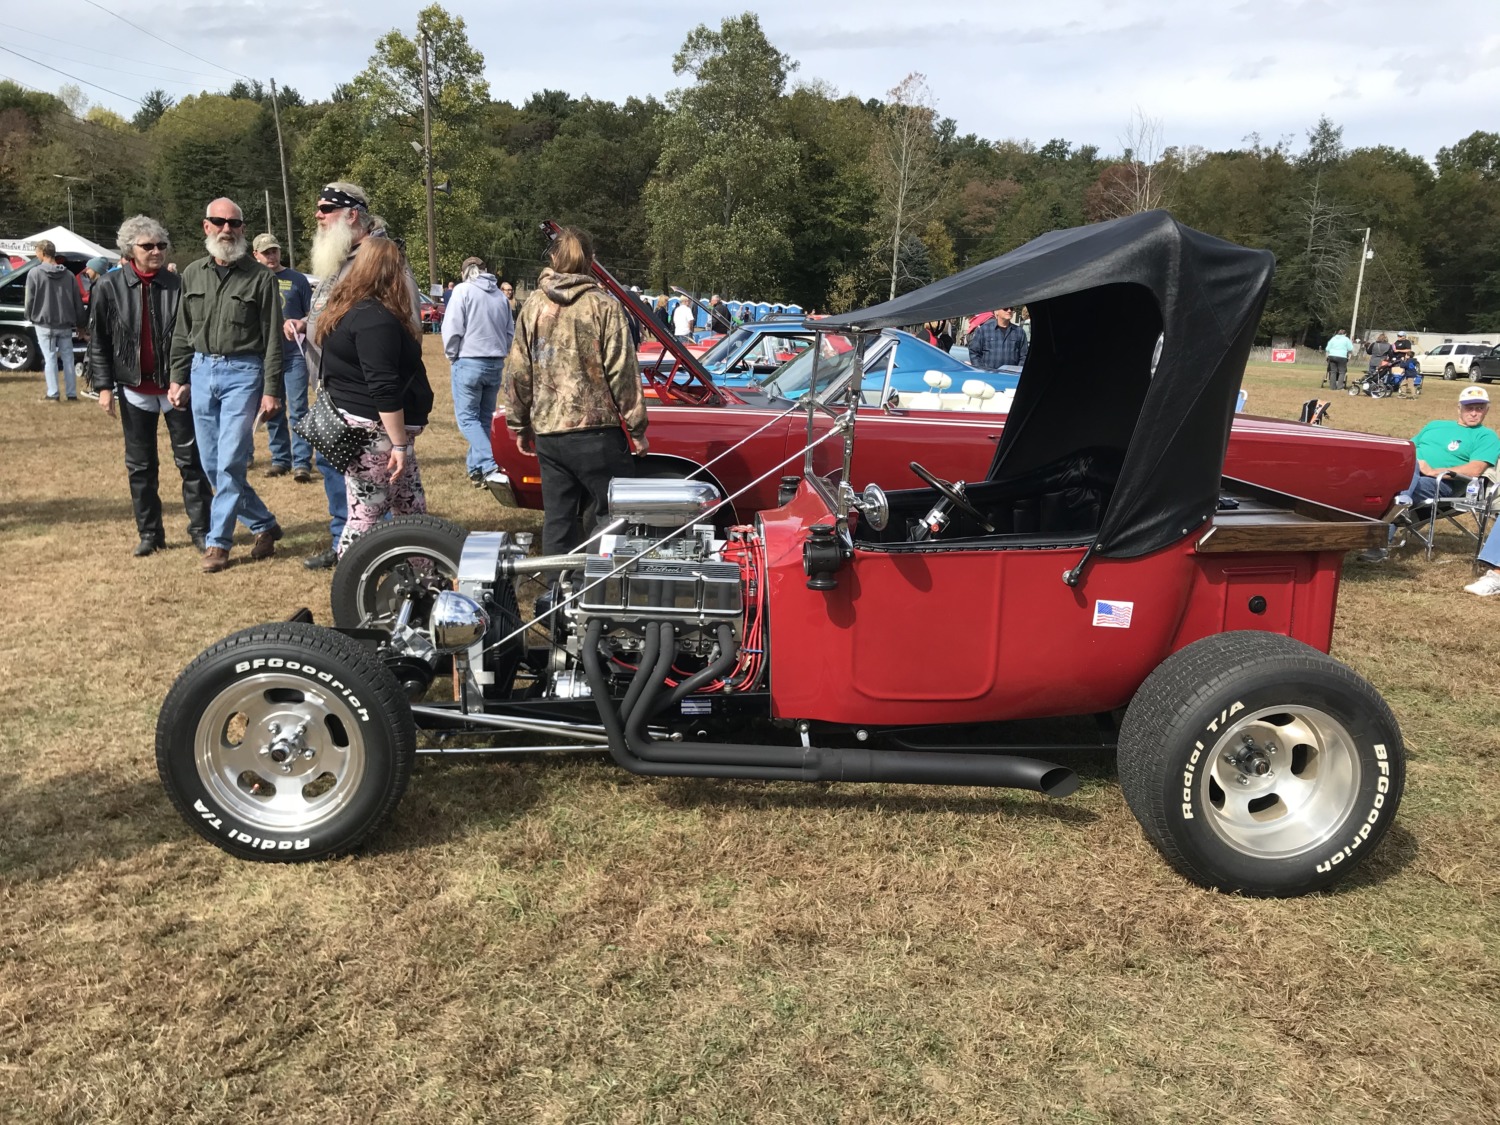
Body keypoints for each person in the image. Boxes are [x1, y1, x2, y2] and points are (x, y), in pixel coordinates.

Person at [283, 182, 421, 569]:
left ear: (352, 214)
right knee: (356, 483)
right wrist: (306, 322)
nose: (318, 216)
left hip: (367, 405)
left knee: (379, 496)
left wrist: (395, 430)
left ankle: (370, 557)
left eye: (325, 208)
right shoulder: (344, 257)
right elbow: (338, 313)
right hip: (339, 395)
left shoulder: (380, 260)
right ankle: (355, 546)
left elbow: (398, 334)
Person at [503, 225, 647, 556]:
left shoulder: (533, 306)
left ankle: (556, 597)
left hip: (550, 434)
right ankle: (598, 588)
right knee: (615, 515)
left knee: (558, 520)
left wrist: (519, 424)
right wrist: (637, 428)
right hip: (597, 433)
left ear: (554, 258)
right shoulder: (604, 307)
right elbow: (623, 372)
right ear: (591, 261)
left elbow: (518, 372)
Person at [168, 197, 285, 573]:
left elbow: (272, 341)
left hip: (244, 372)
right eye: (219, 222)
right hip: (202, 370)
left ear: (243, 229)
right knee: (212, 463)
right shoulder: (192, 274)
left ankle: (218, 543)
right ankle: (264, 524)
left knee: (232, 460)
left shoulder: (262, 278)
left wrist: (271, 390)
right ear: (206, 226)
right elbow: (183, 332)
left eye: (234, 223)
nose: (226, 229)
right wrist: (178, 376)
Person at [86, 215, 211, 556]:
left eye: (161, 245)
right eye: (148, 246)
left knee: (191, 463)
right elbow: (98, 341)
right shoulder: (108, 287)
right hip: (133, 389)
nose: (156, 251)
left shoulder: (178, 284)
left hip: (176, 390)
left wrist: (184, 379)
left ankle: (202, 529)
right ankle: (150, 534)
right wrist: (104, 387)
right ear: (130, 250)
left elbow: (193, 336)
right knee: (141, 466)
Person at [311, 237, 433, 554]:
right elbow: (383, 387)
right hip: (375, 435)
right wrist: (399, 444)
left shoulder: (348, 309)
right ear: (390, 272)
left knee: (411, 508)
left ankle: (425, 578)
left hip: (370, 430)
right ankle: (350, 587)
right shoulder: (374, 319)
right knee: (366, 516)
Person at [442, 254, 514, 486]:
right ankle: (476, 469)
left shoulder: (462, 291)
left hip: (469, 359)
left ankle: (490, 462)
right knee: (483, 419)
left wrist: (452, 354)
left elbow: (452, 327)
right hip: (495, 361)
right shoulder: (500, 297)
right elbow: (509, 331)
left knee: (466, 419)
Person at [252, 232, 315, 482]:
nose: (271, 255)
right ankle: (280, 459)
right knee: (272, 408)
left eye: (274, 251)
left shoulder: (297, 280)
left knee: (299, 408)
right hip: (266, 357)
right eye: (266, 252)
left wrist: (300, 322)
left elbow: (314, 314)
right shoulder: (253, 280)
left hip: (294, 355)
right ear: (255, 255)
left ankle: (301, 463)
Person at [1401, 385, 1499, 509]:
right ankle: (1396, 510)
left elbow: (1475, 469)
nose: (1474, 413)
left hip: (1441, 482)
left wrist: (1432, 471)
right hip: (1408, 472)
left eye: (1479, 408)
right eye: (1469, 408)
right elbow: (1406, 450)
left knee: (1393, 486)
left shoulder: (1486, 436)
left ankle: (1401, 502)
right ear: (1459, 409)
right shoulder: (1435, 425)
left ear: (1486, 410)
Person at [23, 239, 86, 401]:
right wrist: (80, 324)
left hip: (44, 322)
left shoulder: (34, 273)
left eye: (37, 252)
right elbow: (77, 301)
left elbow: (29, 299)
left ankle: (53, 393)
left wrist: (29, 315)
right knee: (68, 358)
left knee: (50, 357)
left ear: (42, 253)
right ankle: (71, 393)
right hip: (65, 323)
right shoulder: (69, 275)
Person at [967, 305, 1028, 371]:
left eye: (1011, 308)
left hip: (1010, 376)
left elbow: (1024, 356)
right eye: (1005, 308)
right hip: (989, 376)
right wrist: (981, 370)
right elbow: (974, 352)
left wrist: (1017, 371)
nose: (1009, 311)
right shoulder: (984, 330)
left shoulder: (1019, 332)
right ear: (996, 312)